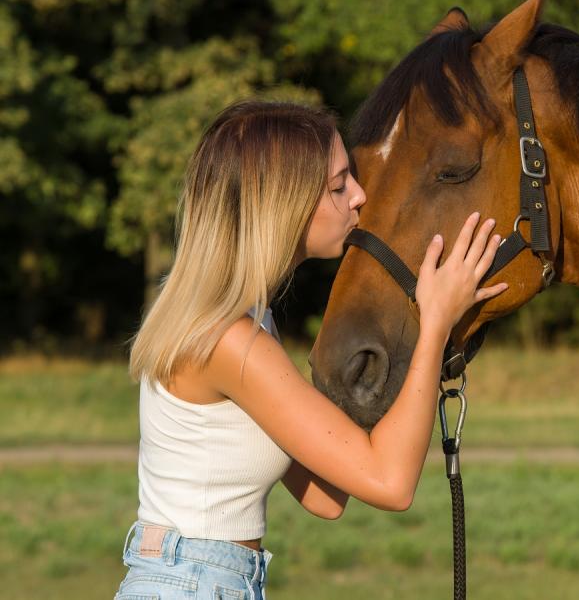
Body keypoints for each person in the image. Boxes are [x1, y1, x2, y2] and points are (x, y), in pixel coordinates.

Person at [115, 100, 507, 599]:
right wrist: (434, 326)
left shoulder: (249, 322)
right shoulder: (228, 341)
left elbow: (325, 496)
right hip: (194, 584)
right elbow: (390, 482)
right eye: (339, 186)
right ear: (283, 202)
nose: (360, 196)